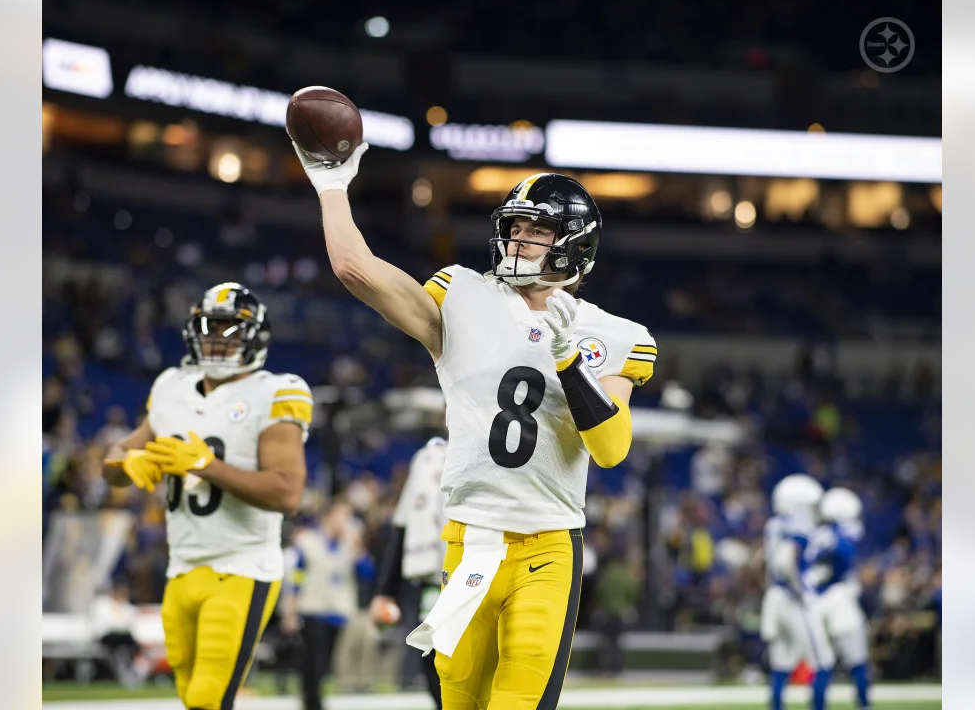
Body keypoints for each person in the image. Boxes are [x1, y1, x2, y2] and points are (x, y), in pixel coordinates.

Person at [293, 142, 656, 710]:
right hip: (467, 545)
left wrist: (569, 361)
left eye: (534, 231)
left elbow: (611, 449)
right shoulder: (462, 293)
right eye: (514, 228)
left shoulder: (612, 334)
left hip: (547, 548)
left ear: (573, 244)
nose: (517, 241)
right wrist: (331, 184)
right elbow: (353, 268)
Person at [102, 282, 312, 710]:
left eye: (230, 330)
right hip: (181, 567)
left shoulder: (275, 391)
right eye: (208, 329)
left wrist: (205, 466)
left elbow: (288, 493)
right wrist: (125, 465)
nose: (216, 340)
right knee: (188, 694)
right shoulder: (170, 386)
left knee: (208, 698)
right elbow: (116, 457)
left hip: (242, 565)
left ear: (256, 337)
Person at [369, 436, 449, 708]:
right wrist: (385, 591)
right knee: (433, 662)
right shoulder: (427, 458)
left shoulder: (471, 449)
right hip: (432, 579)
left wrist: (385, 591)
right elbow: (403, 525)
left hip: (465, 575)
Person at [281, 500, 370, 710]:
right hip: (312, 610)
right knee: (314, 663)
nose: (346, 522)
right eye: (342, 516)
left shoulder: (350, 545)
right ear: (328, 517)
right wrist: (290, 611)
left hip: (339, 613)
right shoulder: (307, 542)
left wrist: (359, 549)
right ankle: (312, 702)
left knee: (326, 665)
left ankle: (312, 700)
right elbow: (296, 579)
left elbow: (367, 574)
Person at [761, 474, 835, 710]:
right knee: (823, 660)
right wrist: (801, 589)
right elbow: (785, 561)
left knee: (781, 662)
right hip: (793, 599)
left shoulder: (774, 524)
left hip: (775, 596)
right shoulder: (798, 525)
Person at [809, 487, 871, 709]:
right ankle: (864, 704)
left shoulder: (816, 533)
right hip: (839, 599)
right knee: (858, 660)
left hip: (816, 601)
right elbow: (844, 557)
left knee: (823, 663)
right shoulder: (842, 532)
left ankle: (817, 706)